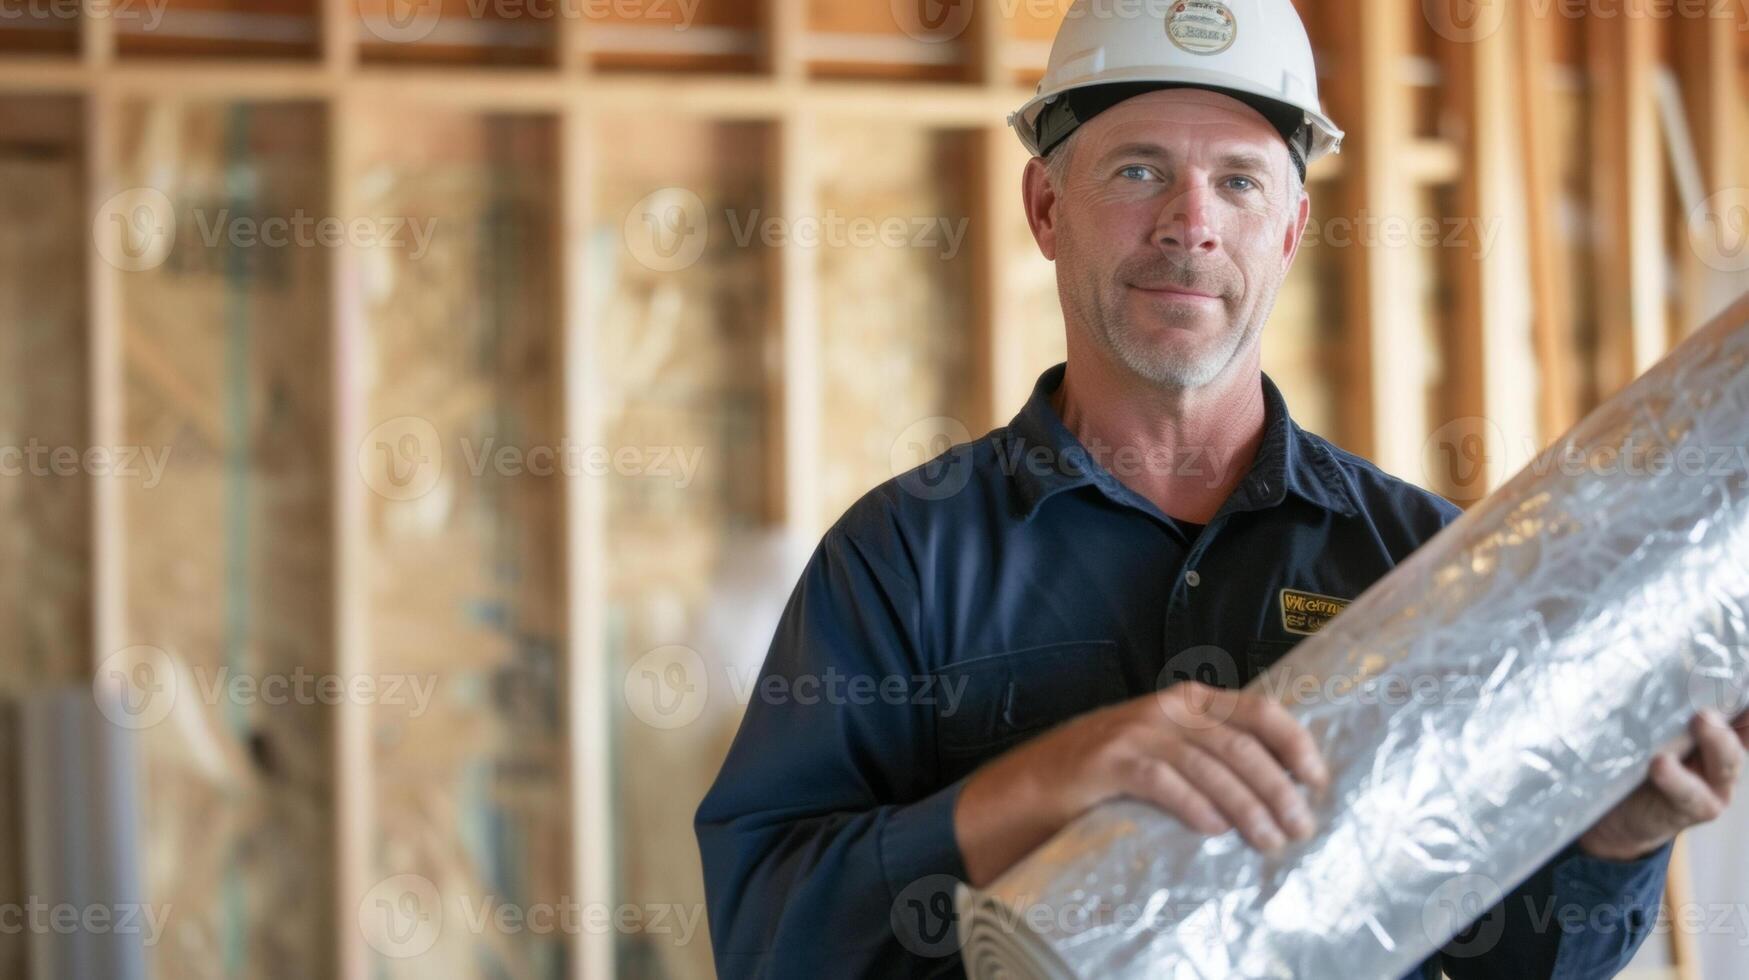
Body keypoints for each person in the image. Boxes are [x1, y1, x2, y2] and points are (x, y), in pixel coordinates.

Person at [696, 1, 1747, 976]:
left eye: (1240, 180)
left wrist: (1613, 839)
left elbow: (1501, 964)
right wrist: (1041, 783)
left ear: (1289, 229)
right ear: (1047, 206)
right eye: (1139, 171)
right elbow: (763, 931)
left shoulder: (1427, 564)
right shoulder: (904, 560)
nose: (1190, 223)